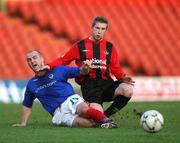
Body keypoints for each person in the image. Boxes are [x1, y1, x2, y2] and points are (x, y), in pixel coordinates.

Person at [47, 16, 134, 117]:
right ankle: (99, 115)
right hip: (90, 85)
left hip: (106, 84)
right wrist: (48, 66)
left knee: (128, 90)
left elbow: (115, 68)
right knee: (96, 114)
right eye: (97, 28)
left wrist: (122, 77)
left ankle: (106, 116)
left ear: (105, 30)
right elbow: (63, 60)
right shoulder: (80, 45)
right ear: (92, 28)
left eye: (102, 29)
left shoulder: (110, 47)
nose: (99, 31)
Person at [12, 50, 117, 128]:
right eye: (29, 60)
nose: (32, 61)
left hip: (70, 100)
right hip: (58, 113)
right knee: (88, 124)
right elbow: (27, 105)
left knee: (84, 110)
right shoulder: (31, 84)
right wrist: (23, 123)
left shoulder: (58, 70)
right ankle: (101, 120)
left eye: (35, 58)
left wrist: (85, 67)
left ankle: (107, 120)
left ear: (41, 59)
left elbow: (81, 71)